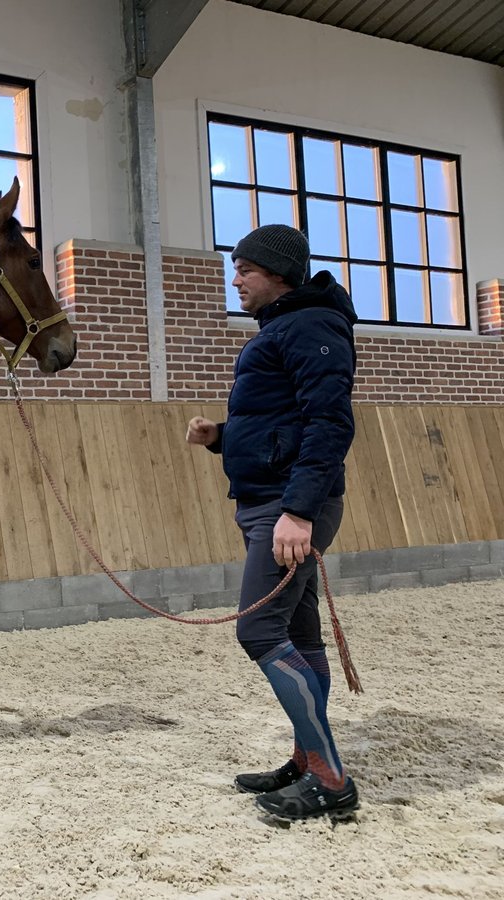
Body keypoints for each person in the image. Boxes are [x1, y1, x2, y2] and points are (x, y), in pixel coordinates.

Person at [186, 223, 360, 821]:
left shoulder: (310, 325)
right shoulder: (286, 327)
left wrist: (298, 511)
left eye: (245, 270)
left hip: (287, 508)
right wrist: (223, 437)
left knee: (259, 632)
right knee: (300, 635)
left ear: (278, 273)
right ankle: (308, 760)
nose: (235, 280)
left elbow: (329, 425)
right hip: (272, 500)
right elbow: (281, 420)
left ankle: (331, 781)